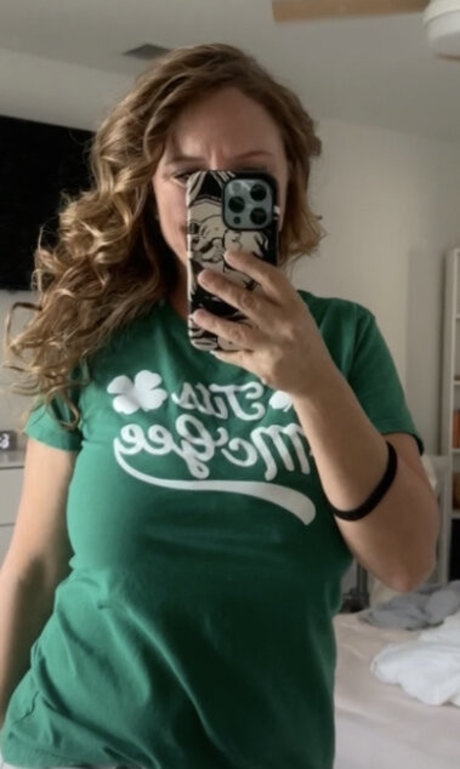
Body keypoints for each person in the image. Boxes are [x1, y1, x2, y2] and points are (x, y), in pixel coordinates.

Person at [0, 43, 439, 769]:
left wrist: (313, 382)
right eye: (185, 174)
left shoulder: (345, 338)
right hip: (71, 745)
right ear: (148, 188)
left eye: (249, 175)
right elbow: (34, 568)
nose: (215, 194)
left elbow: (406, 563)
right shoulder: (95, 339)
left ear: (287, 187)